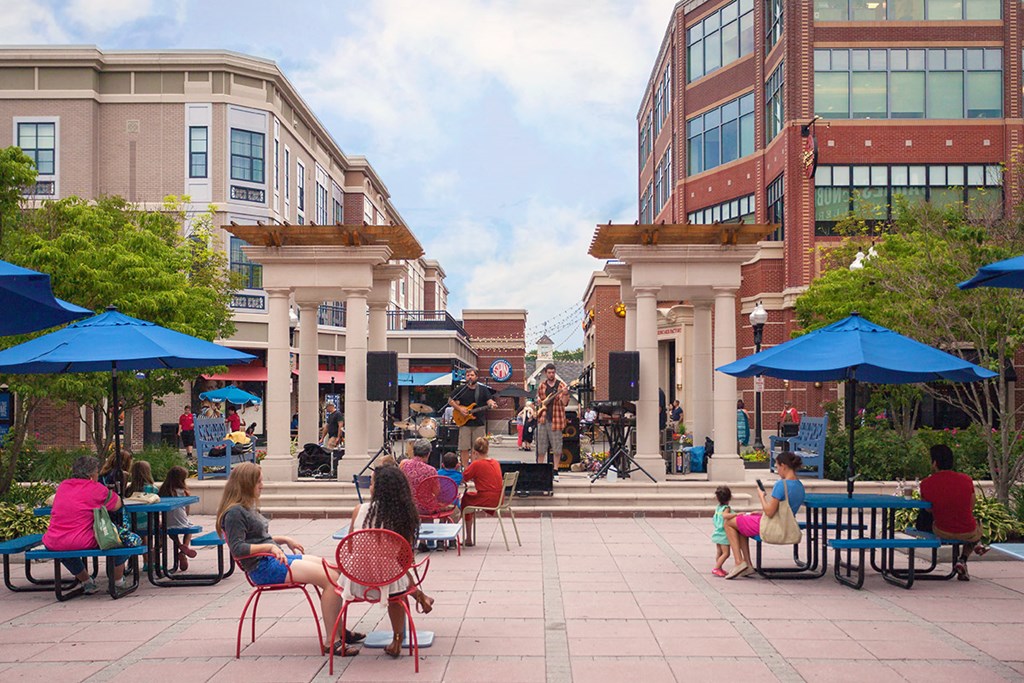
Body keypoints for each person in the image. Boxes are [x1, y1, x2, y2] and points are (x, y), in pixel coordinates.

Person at [218, 462, 364, 655]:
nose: (262, 486)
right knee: (331, 580)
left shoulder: (245, 508)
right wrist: (269, 546)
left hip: (272, 559)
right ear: (246, 484)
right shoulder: (235, 512)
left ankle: (339, 629)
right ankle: (332, 641)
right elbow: (238, 549)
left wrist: (282, 539)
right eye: (258, 482)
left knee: (334, 570)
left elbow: (256, 538)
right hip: (263, 568)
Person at [344, 464, 435, 657]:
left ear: (377, 488)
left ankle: (336, 636)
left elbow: (350, 547)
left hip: (355, 582)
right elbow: (405, 557)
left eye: (372, 481)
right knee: (397, 586)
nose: (369, 484)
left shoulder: (359, 510)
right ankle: (397, 640)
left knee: (331, 579)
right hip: (389, 584)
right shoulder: (404, 517)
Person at [42, 455, 128, 594]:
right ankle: (118, 581)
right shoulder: (95, 488)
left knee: (65, 550)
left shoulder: (64, 486)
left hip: (53, 540)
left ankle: (86, 581)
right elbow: (117, 505)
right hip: (81, 539)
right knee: (123, 540)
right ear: (92, 474)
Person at [722, 451, 805, 579]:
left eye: (777, 467)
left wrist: (761, 497)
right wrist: (760, 513)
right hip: (785, 524)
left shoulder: (781, 485)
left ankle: (739, 562)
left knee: (729, 523)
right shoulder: (800, 486)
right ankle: (747, 565)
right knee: (741, 521)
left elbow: (769, 512)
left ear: (784, 466)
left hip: (773, 526)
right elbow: (783, 510)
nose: (777, 470)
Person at [920, 444, 986, 581]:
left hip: (942, 529)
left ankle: (964, 558)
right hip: (967, 530)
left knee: (925, 520)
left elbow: (928, 509)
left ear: (934, 463)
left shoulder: (926, 483)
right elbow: (971, 505)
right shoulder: (966, 480)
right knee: (976, 527)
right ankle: (963, 559)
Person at [448, 368, 498, 468]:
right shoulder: (461, 389)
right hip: (464, 423)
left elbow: (489, 401)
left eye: (472, 375)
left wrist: (492, 404)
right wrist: (460, 409)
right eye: (468, 375)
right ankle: (466, 469)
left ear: (476, 377)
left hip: (478, 423)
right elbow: (450, 400)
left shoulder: (483, 390)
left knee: (478, 448)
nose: (470, 377)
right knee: (464, 448)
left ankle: (476, 468)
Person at [461, 437, 503, 547]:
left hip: (487, 498)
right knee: (470, 497)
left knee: (465, 500)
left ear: (474, 452)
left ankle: (469, 537)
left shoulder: (477, 464)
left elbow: (464, 477)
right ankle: (469, 536)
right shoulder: (495, 462)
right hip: (499, 498)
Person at [159, 465, 198, 572]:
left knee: (170, 531)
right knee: (188, 529)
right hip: (182, 521)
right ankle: (184, 548)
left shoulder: (163, 491)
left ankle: (179, 544)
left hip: (168, 523)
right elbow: (187, 510)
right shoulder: (183, 492)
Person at [535, 363, 569, 477]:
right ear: (546, 373)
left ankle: (555, 470)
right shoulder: (542, 386)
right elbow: (539, 401)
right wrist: (539, 403)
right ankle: (540, 469)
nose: (551, 374)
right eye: (549, 373)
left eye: (553, 372)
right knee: (541, 447)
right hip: (543, 419)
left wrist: (565, 394)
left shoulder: (561, 386)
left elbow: (564, 403)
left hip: (556, 420)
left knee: (557, 447)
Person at [711, 486, 732, 577]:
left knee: (719, 552)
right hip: (723, 534)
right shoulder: (726, 508)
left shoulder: (718, 507)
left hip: (717, 533)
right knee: (726, 553)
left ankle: (719, 568)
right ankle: (716, 568)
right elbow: (725, 516)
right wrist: (736, 514)